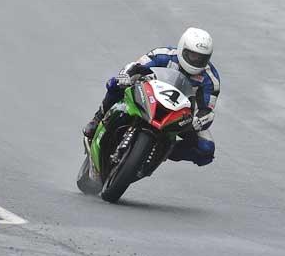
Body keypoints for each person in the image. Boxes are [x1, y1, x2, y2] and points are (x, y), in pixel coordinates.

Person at [83, 27, 219, 167]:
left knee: (206, 149)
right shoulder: (163, 55)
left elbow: (207, 109)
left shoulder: (210, 78)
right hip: (149, 96)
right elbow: (135, 66)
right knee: (114, 84)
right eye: (193, 55)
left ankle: (164, 151)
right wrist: (125, 76)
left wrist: (200, 121)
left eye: (201, 58)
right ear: (182, 48)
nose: (197, 61)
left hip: (179, 114)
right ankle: (98, 117)